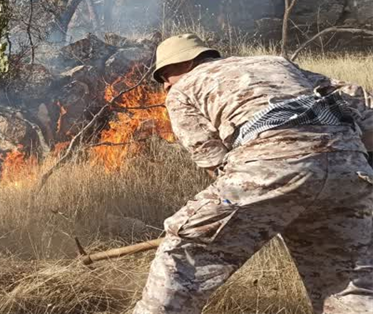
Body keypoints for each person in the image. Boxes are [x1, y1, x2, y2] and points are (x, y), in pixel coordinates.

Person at [133, 33, 373, 314]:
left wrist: (264, 212)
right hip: (351, 168)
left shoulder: (183, 87)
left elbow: (213, 161)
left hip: (271, 163)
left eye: (164, 77)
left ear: (180, 65)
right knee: (348, 282)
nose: (164, 85)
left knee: (185, 252)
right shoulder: (276, 63)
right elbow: (359, 103)